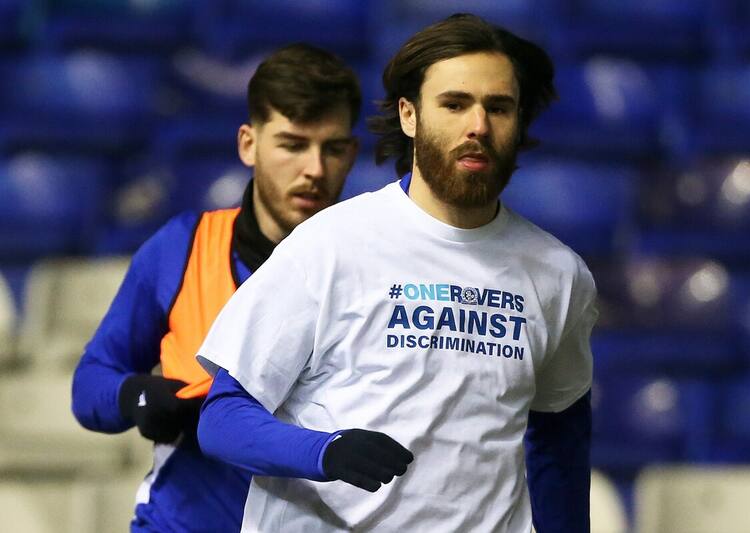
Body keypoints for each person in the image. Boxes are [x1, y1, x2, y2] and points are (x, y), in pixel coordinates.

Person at [197, 13, 596, 533]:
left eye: (498, 107)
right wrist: (325, 451)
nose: (478, 125)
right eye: (454, 104)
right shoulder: (331, 244)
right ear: (409, 115)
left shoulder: (559, 275)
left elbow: (560, 444)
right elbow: (222, 419)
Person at [71, 43, 361, 533]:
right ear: (248, 144)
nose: (314, 168)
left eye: (332, 148)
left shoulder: (377, 263)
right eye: (292, 144)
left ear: (351, 153)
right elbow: (91, 382)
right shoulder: (182, 248)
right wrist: (138, 395)